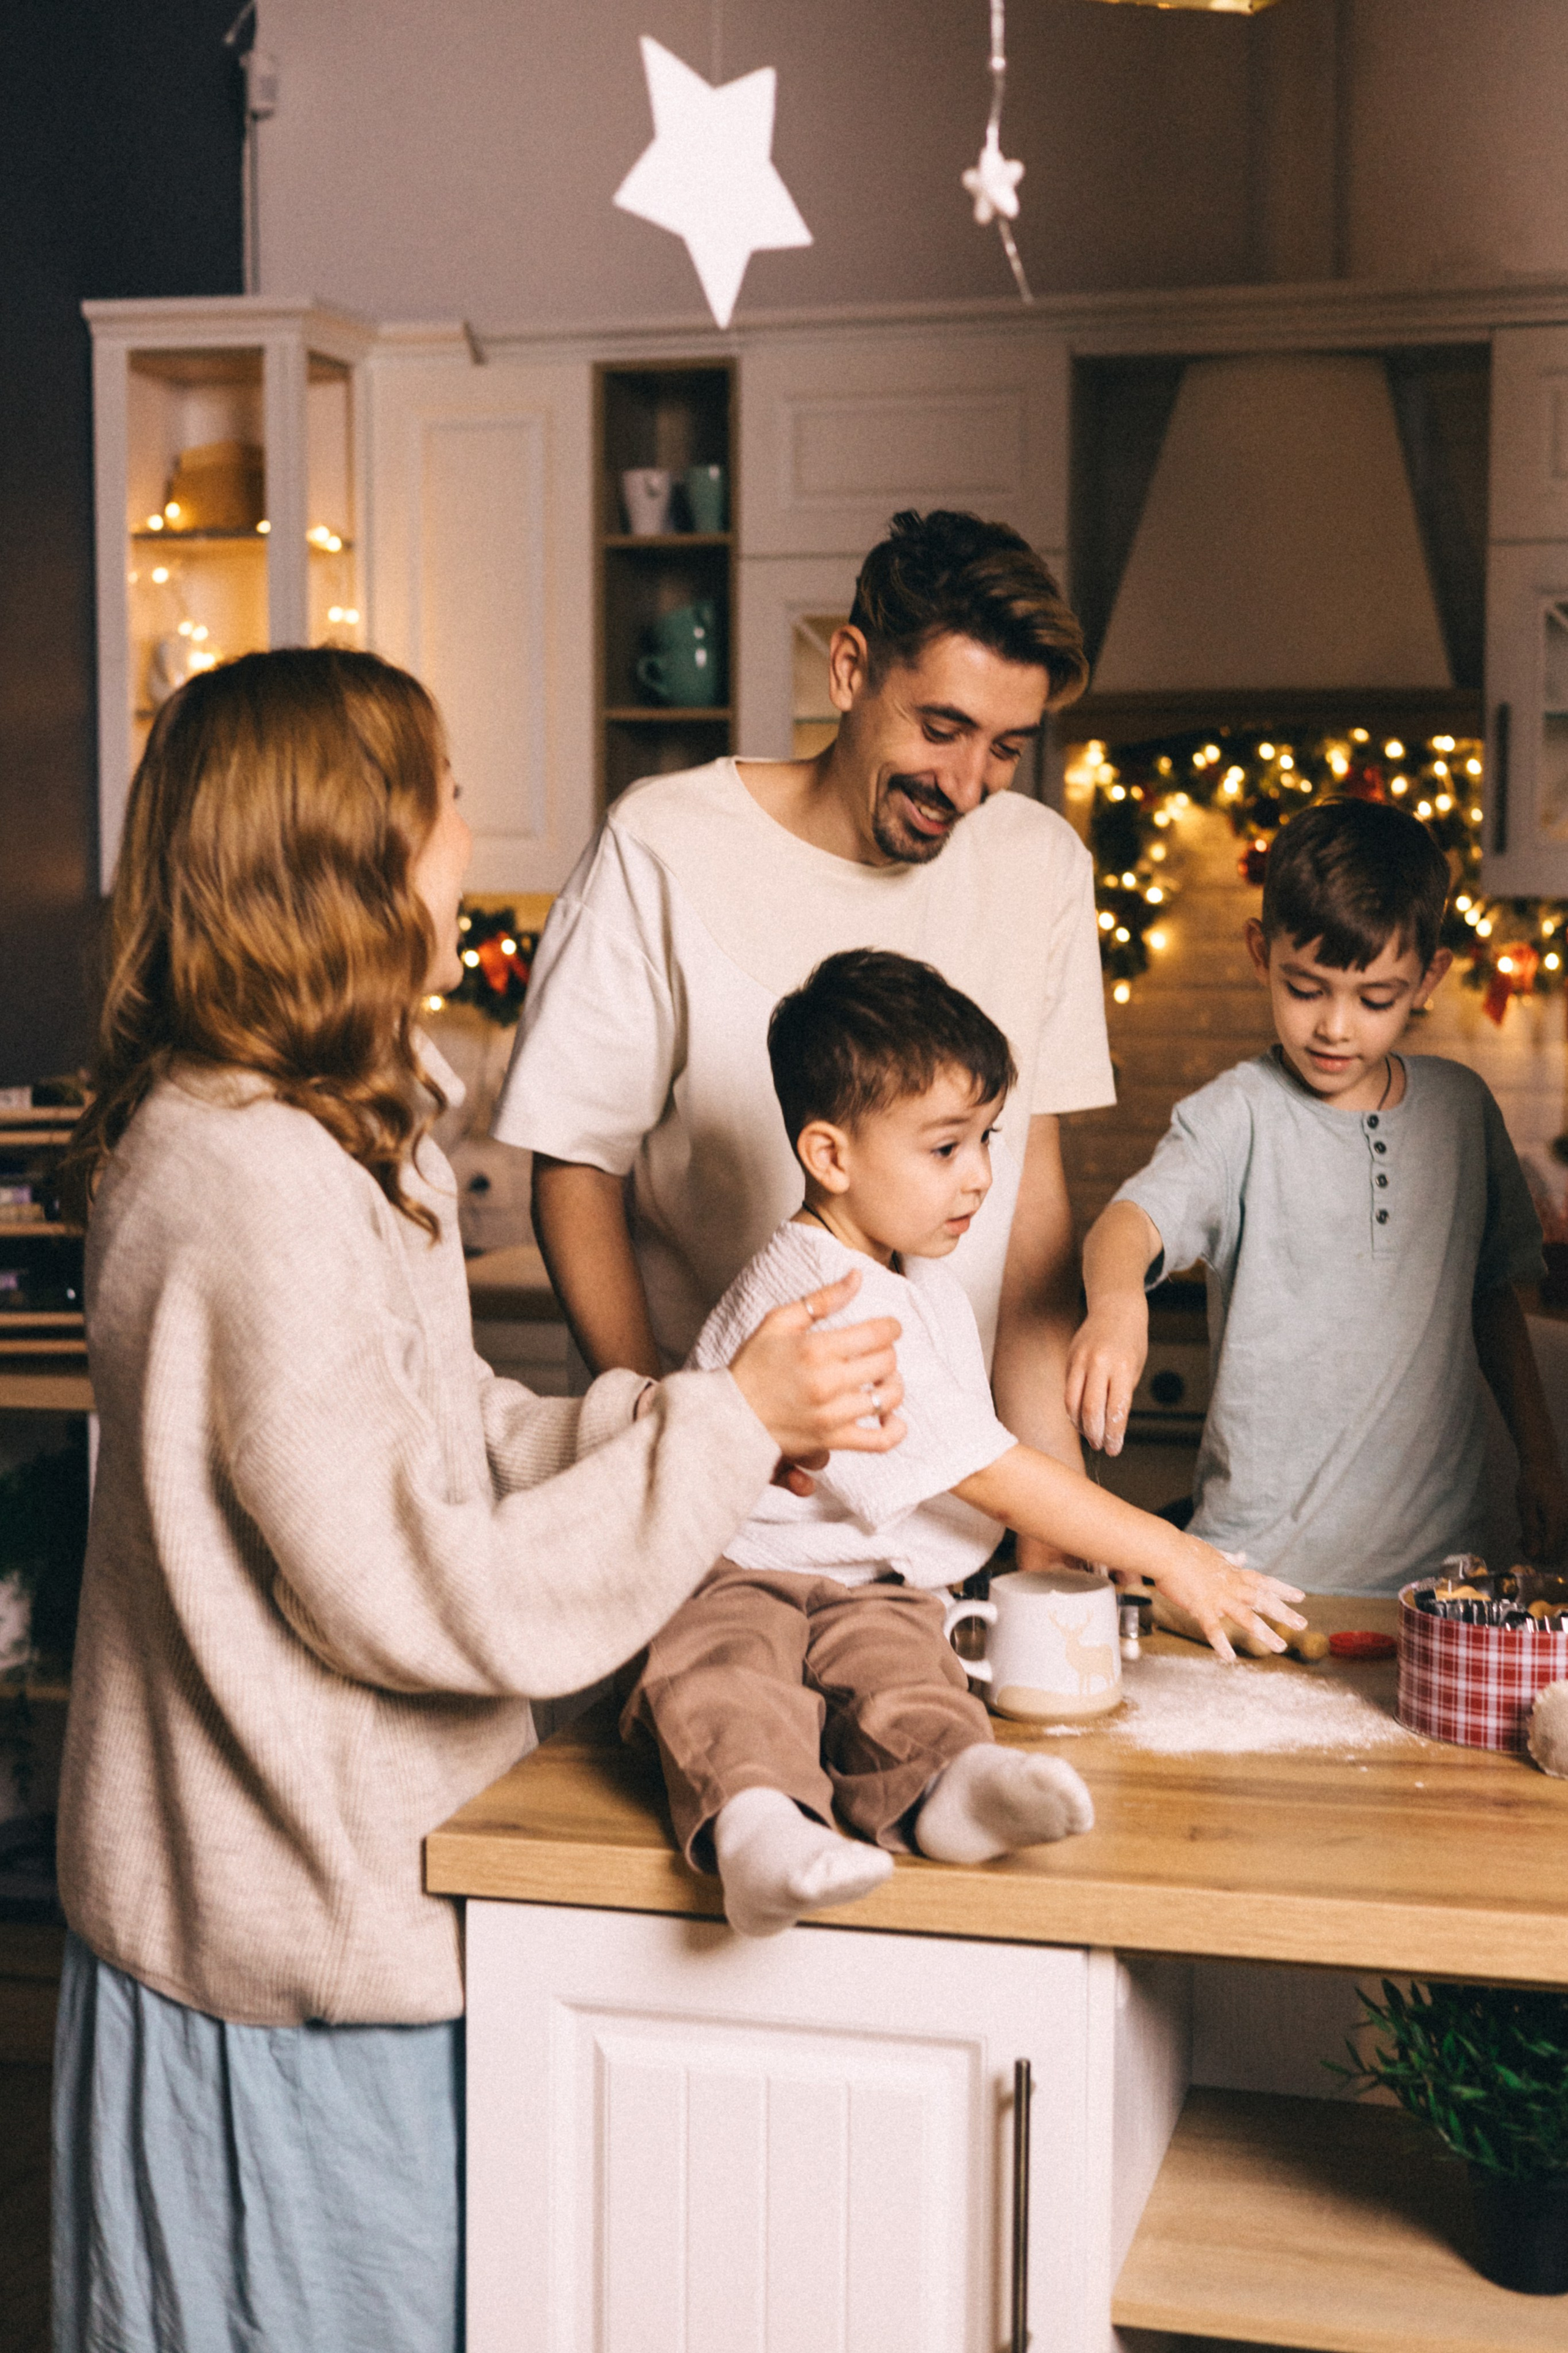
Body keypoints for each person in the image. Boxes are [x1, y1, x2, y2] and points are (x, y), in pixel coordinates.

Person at [50, 649, 913, 2353]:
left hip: (333, 1913)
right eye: (440, 795)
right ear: (351, 851)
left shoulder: (332, 1137)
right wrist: (724, 1428)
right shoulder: (249, 1179)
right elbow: (416, 1587)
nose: (468, 828)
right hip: (281, 1961)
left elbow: (442, 1434)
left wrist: (691, 1424)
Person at [624, 950, 1306, 1938]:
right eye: (945, 1148)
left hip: (868, 1584)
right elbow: (993, 1471)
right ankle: (758, 1829)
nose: (982, 1174)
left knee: (910, 1670)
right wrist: (1174, 1555)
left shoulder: (908, 1273)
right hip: (736, 1572)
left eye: (986, 1137)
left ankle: (954, 1785)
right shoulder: (829, 1300)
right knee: (727, 1678)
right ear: (831, 1156)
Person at [494, 509, 1114, 1552]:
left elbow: (1030, 1214)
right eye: (941, 728)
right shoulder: (663, 842)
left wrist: (1055, 1537)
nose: (966, 786)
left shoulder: (1041, 866)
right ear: (849, 670)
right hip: (729, 1528)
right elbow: (575, 1167)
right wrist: (670, 1448)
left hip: (947, 1539)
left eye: (1006, 747)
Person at [1066, 796, 1568, 1601]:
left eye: (1376, 998)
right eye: (1308, 988)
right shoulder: (1238, 1115)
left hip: (1439, 1585)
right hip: (1255, 1577)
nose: (1337, 1026)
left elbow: (1494, 1298)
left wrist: (1542, 1460)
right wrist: (1118, 1301)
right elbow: (1125, 1225)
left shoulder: (1463, 1111)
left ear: (1429, 977)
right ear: (1261, 953)